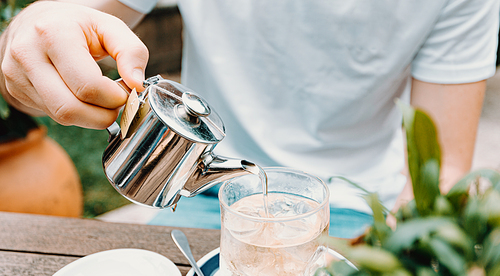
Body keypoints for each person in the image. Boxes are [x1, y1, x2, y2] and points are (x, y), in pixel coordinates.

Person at [1, 0, 498, 238]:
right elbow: (47, 32)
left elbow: (441, 170)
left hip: (363, 207)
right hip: (202, 198)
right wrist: (29, 38)